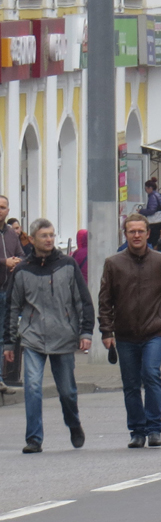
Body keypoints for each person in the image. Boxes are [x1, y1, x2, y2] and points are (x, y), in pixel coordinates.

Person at [99, 214, 161, 449]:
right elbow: (105, 300)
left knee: (151, 375)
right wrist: (106, 331)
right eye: (132, 231)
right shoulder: (114, 263)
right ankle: (137, 431)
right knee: (130, 384)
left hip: (153, 332)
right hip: (125, 334)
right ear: (125, 234)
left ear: (148, 233)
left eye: (141, 231)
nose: (136, 235)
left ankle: (153, 428)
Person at [6, 219, 94, 454]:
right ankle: (34, 438)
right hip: (33, 337)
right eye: (44, 235)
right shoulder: (22, 270)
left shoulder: (67, 265)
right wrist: (8, 341)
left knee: (67, 391)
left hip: (63, 336)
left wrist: (86, 331)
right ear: (32, 239)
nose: (49, 239)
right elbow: (13, 307)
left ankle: (73, 423)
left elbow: (82, 300)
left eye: (52, 235)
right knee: (33, 387)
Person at [0, 195, 24, 389]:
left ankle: (1, 377)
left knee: (3, 335)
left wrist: (17, 262)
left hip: (7, 291)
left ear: (8, 211)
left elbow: (22, 255)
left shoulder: (11, 234)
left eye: (3, 207)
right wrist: (4, 262)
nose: (0, 210)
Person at [142, 178, 161, 245]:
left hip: (154, 223)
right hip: (159, 221)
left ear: (150, 188)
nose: (145, 190)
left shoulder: (152, 197)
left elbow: (151, 210)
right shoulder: (157, 195)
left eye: (146, 188)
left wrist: (141, 211)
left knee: (152, 240)